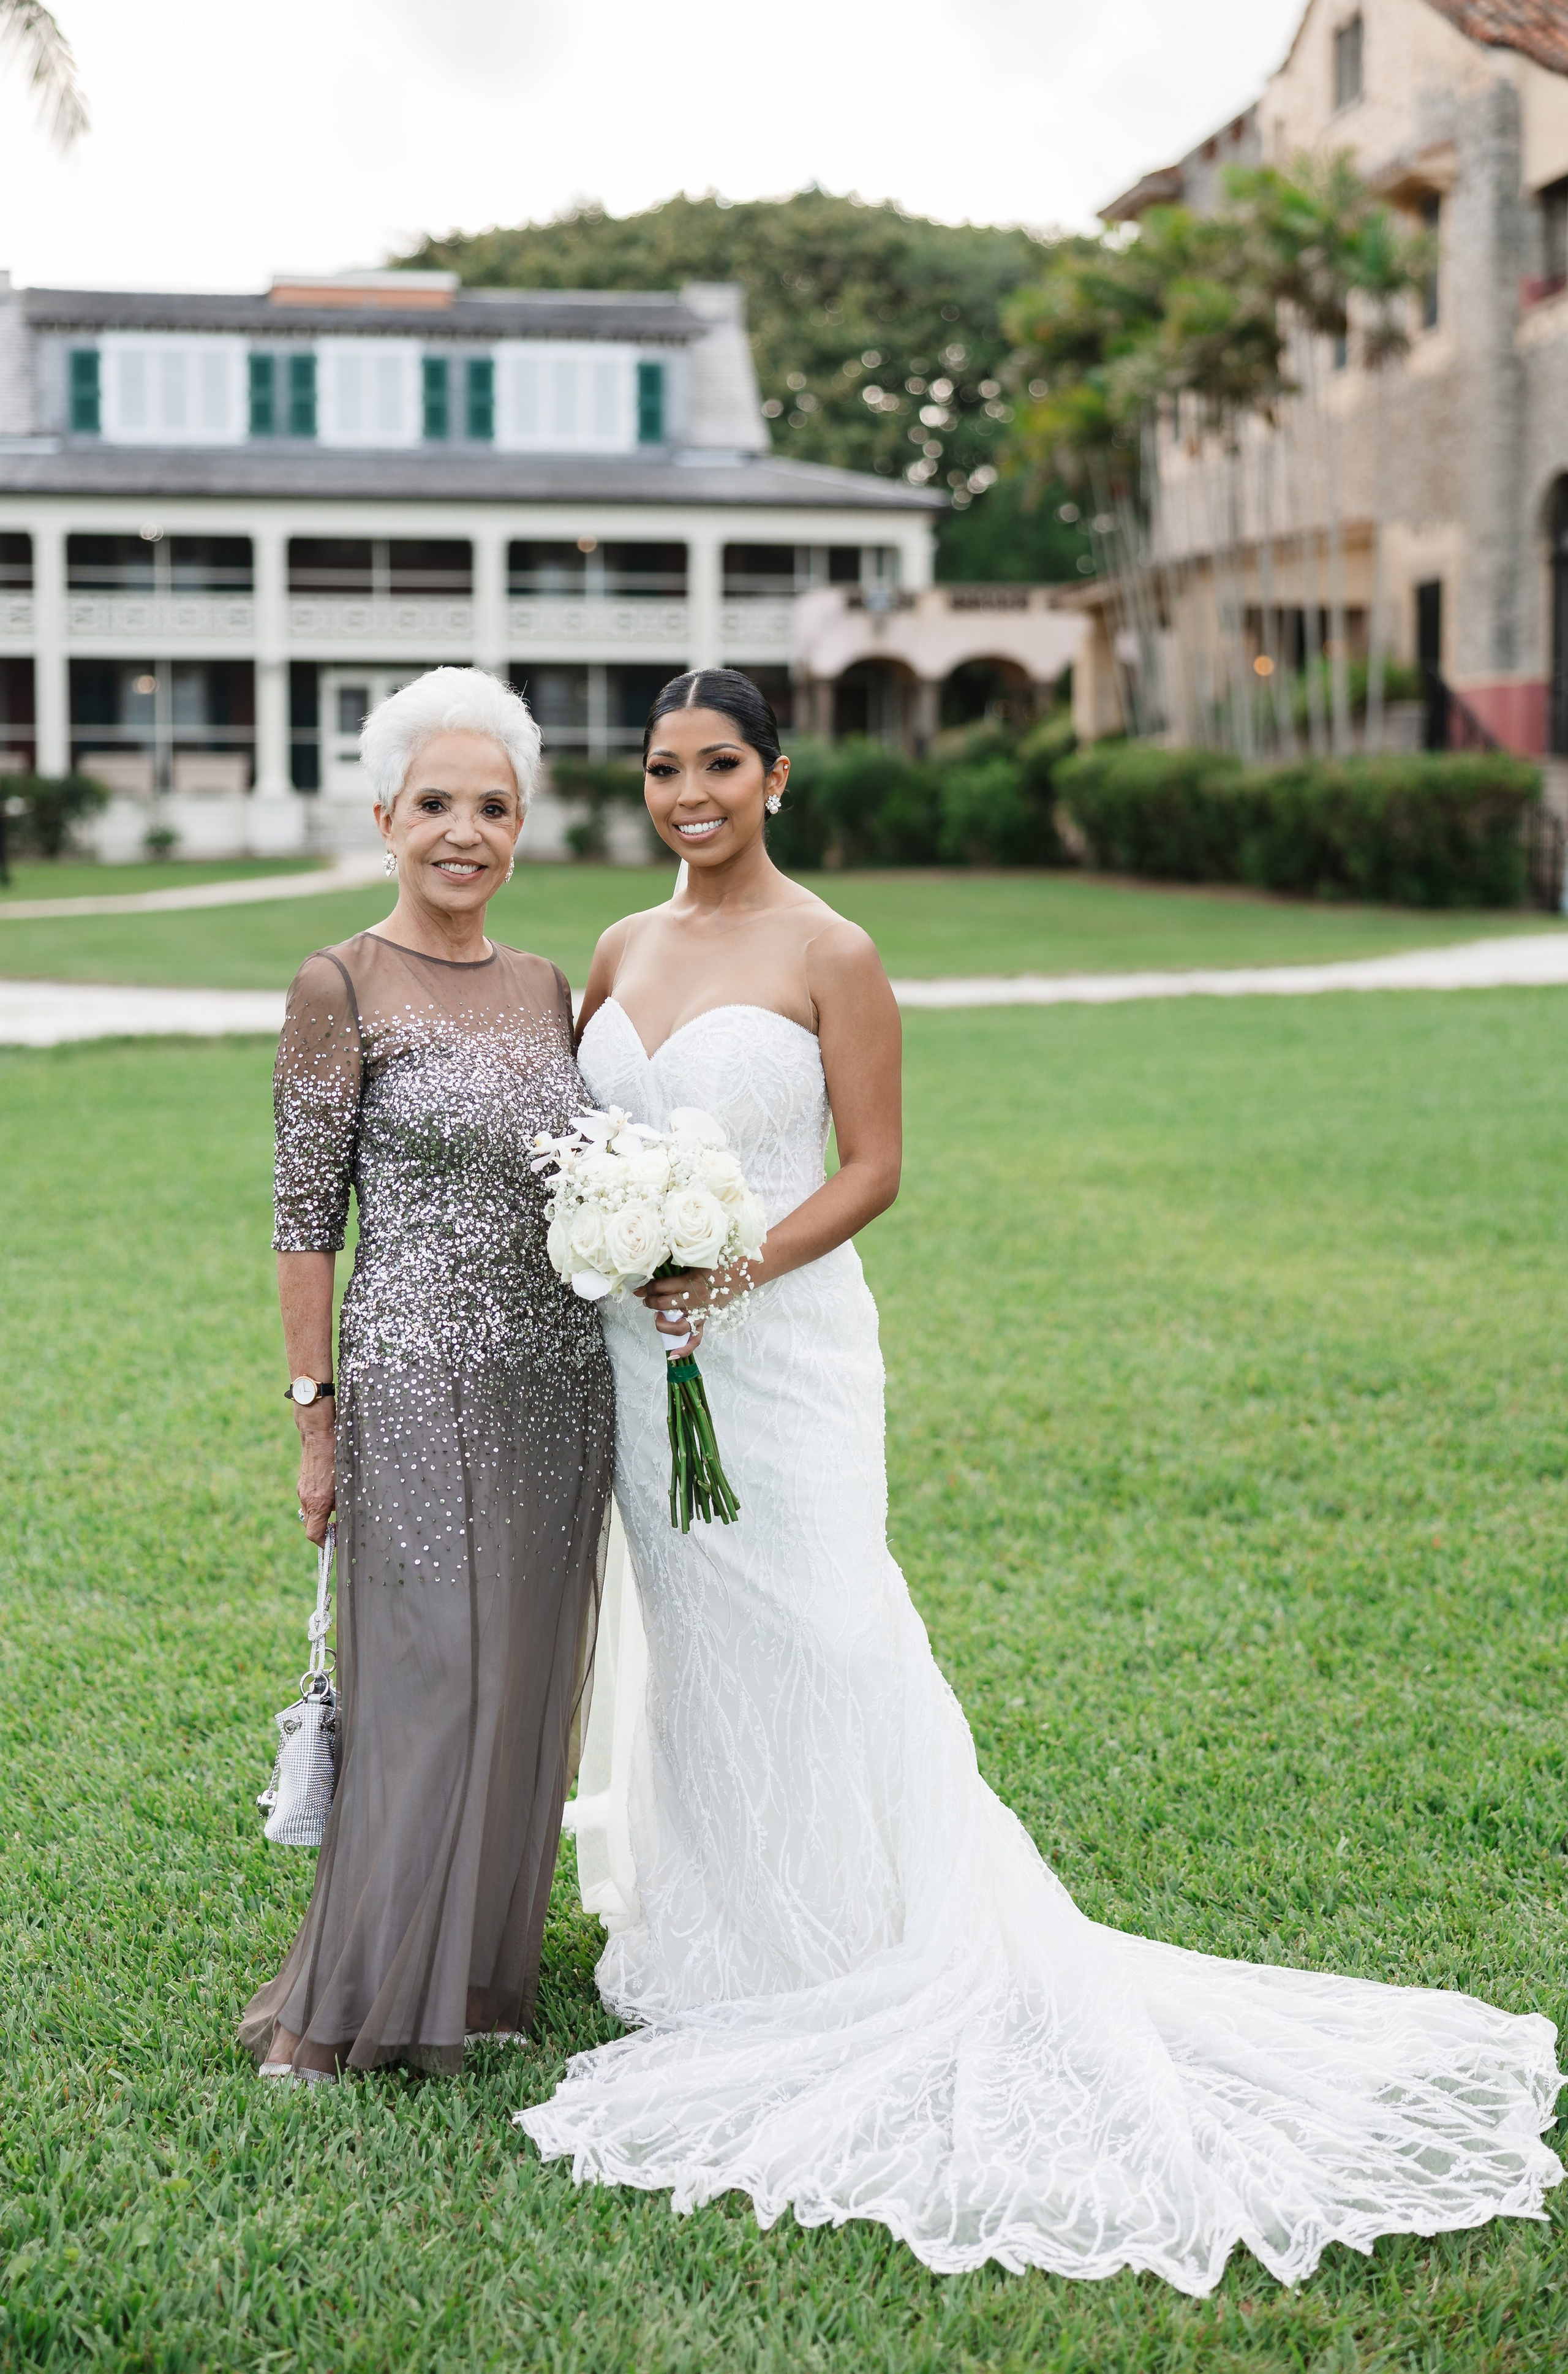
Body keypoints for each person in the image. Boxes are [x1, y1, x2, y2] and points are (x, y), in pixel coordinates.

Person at [518, 667, 1562, 2292]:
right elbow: (589, 1142)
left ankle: (871, 1932)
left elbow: (876, 1166)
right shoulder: (617, 949)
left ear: (777, 776)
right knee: (703, 1637)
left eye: (719, 763)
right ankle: (727, 1932)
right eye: (663, 767)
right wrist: (626, 1249)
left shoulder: (832, 951)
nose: (689, 793)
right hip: (643, 1366)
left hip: (782, 1353)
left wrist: (728, 1264)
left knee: (829, 1627)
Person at [241, 667, 614, 2083]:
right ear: (385, 818)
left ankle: (474, 1975)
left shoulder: (544, 988)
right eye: (438, 805)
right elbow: (303, 1221)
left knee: (518, 1676)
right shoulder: (336, 984)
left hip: (555, 1383)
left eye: (495, 808)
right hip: (410, 1383)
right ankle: (350, 1997)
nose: (467, 832)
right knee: (431, 1677)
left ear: (520, 827)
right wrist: (313, 1420)